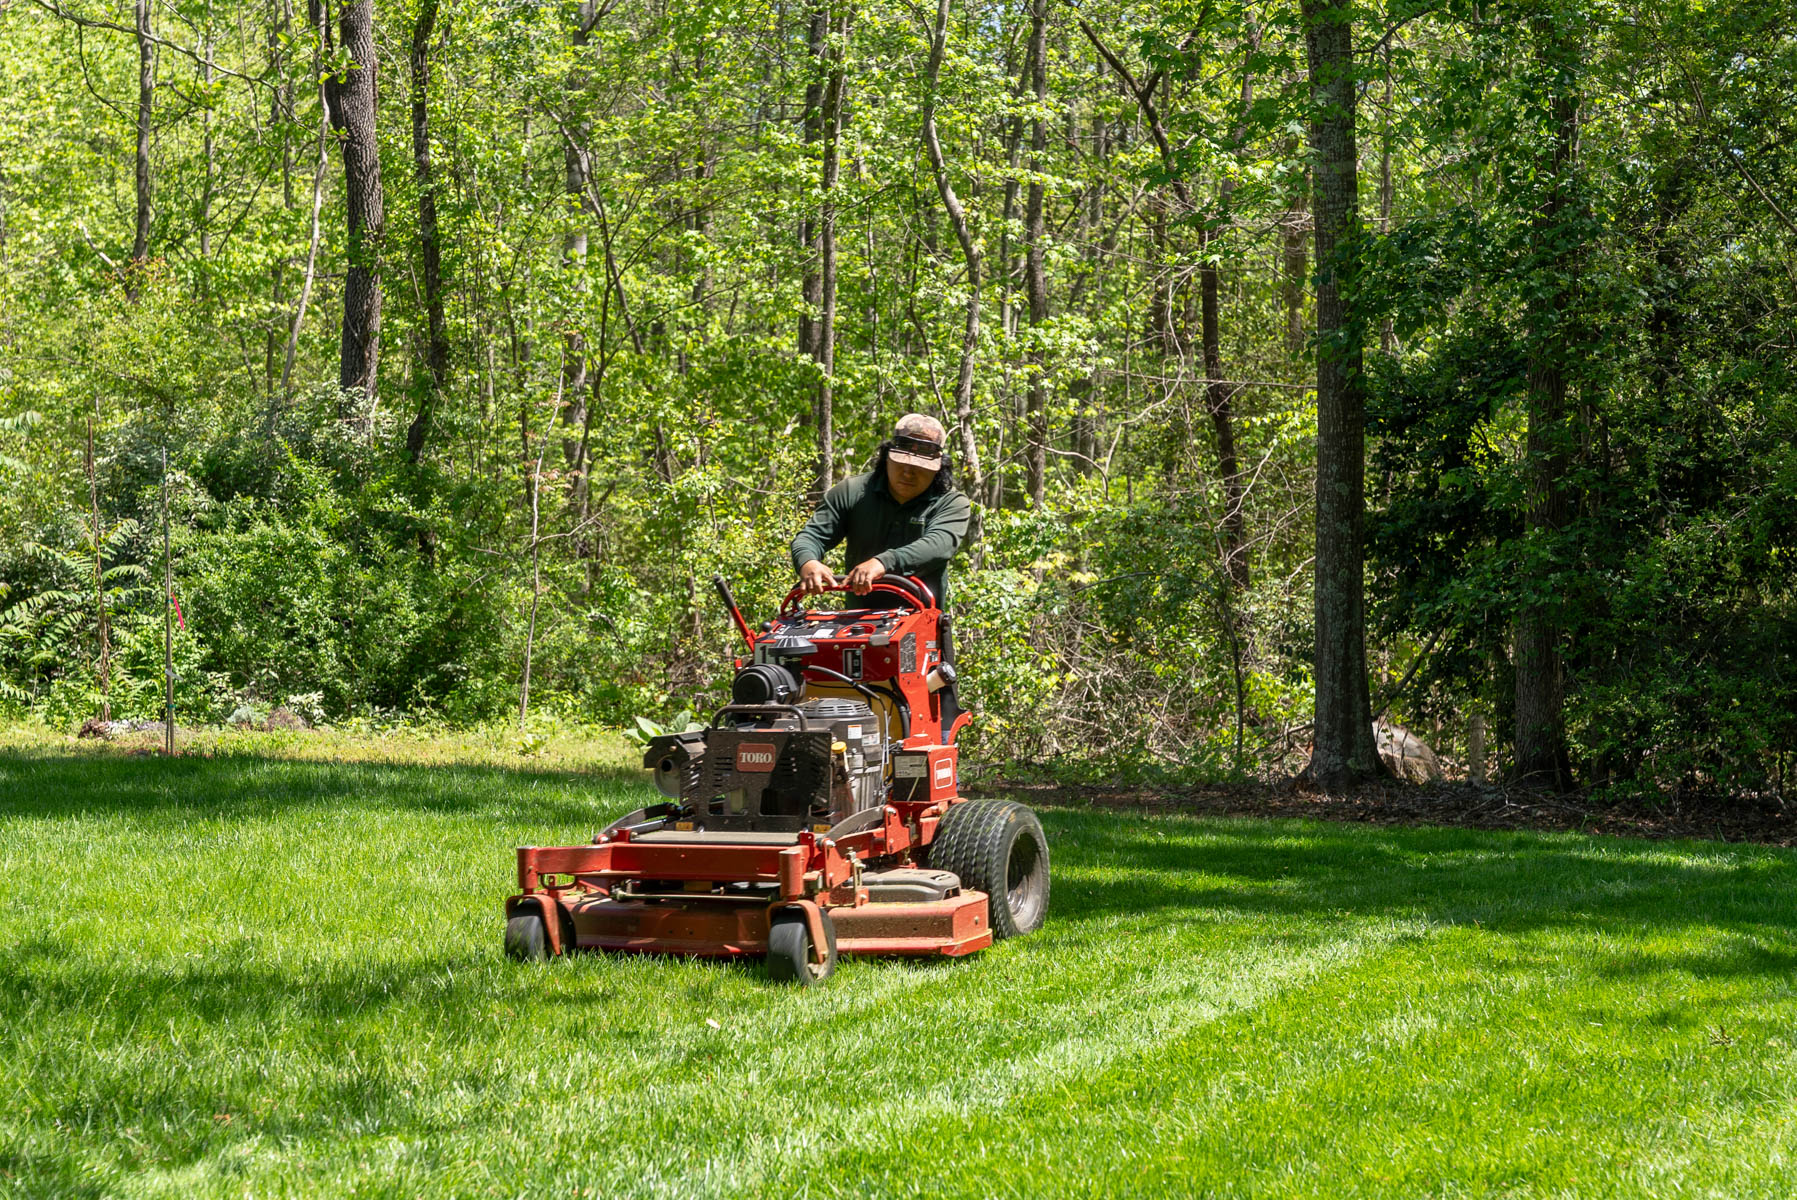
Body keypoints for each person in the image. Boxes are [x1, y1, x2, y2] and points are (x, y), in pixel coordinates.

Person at [790, 413, 972, 609]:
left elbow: (939, 545)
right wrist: (808, 562)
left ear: (938, 468)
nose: (908, 473)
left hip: (923, 622)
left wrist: (884, 562)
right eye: (901, 463)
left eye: (920, 467)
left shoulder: (951, 502)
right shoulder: (853, 492)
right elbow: (811, 536)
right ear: (886, 458)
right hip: (857, 621)